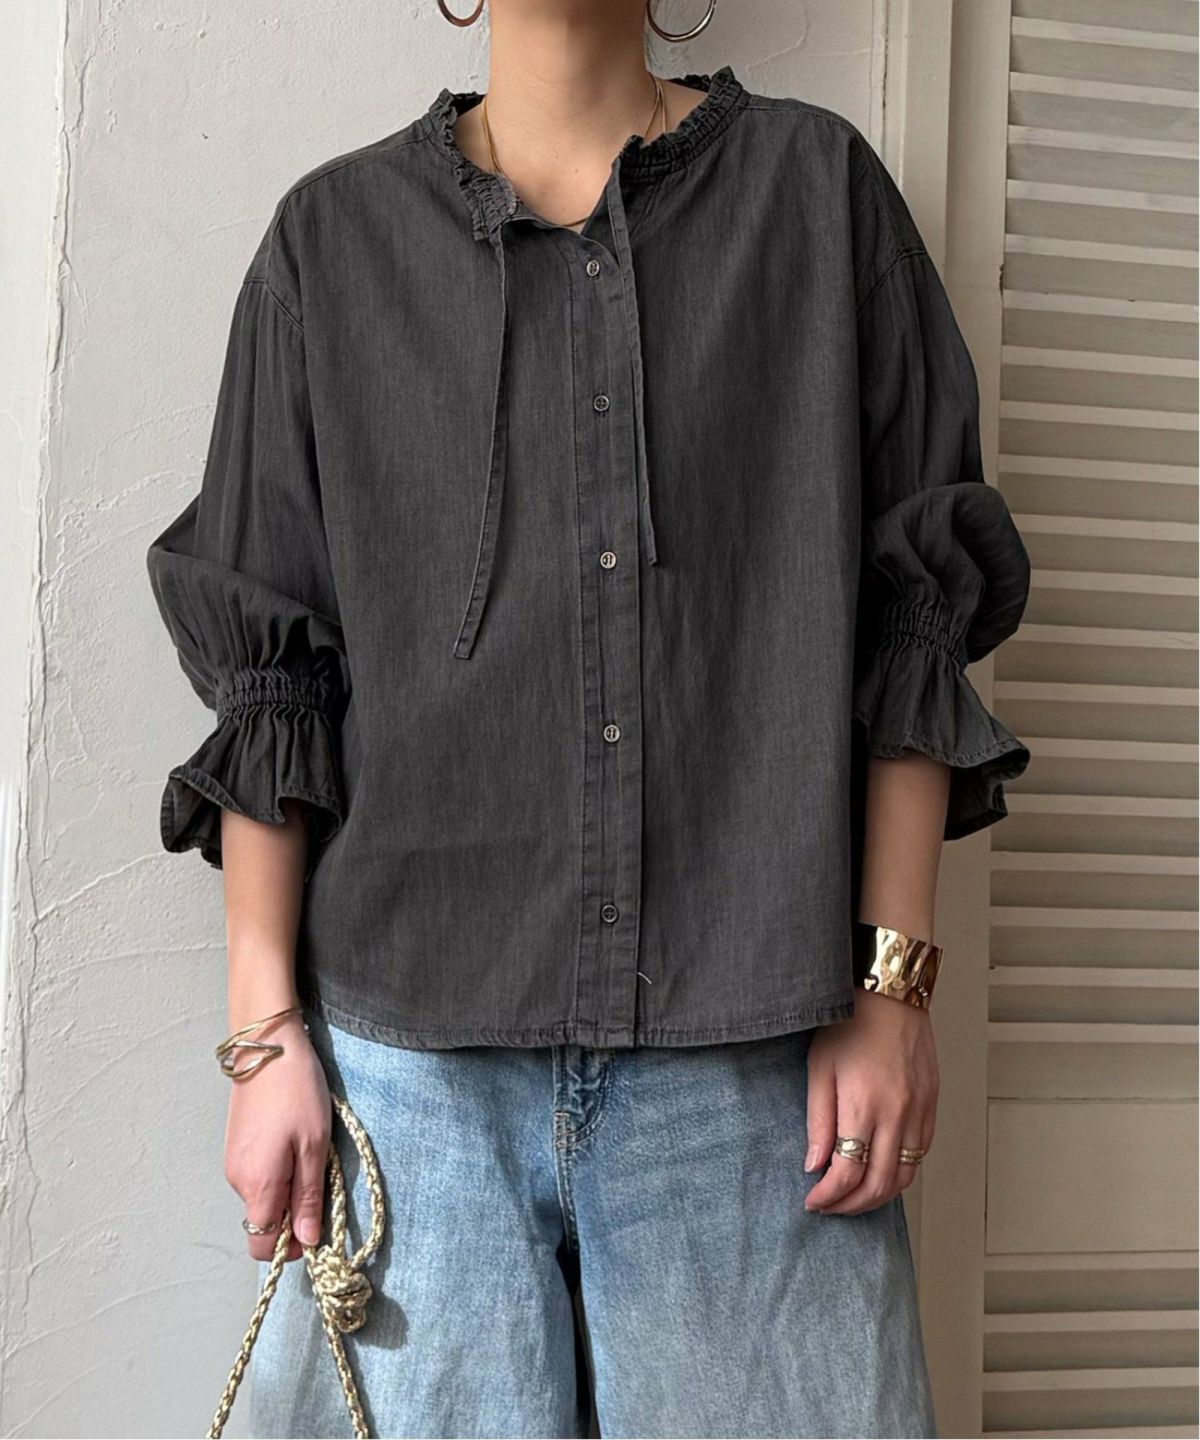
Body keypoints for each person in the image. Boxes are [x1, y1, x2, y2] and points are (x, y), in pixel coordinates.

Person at [145, 2, 1031, 1436]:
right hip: (412, 1080)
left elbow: (913, 609)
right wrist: (264, 1039)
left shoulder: (818, 197)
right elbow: (272, 668)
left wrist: (894, 989)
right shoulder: (331, 242)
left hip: (756, 1071)